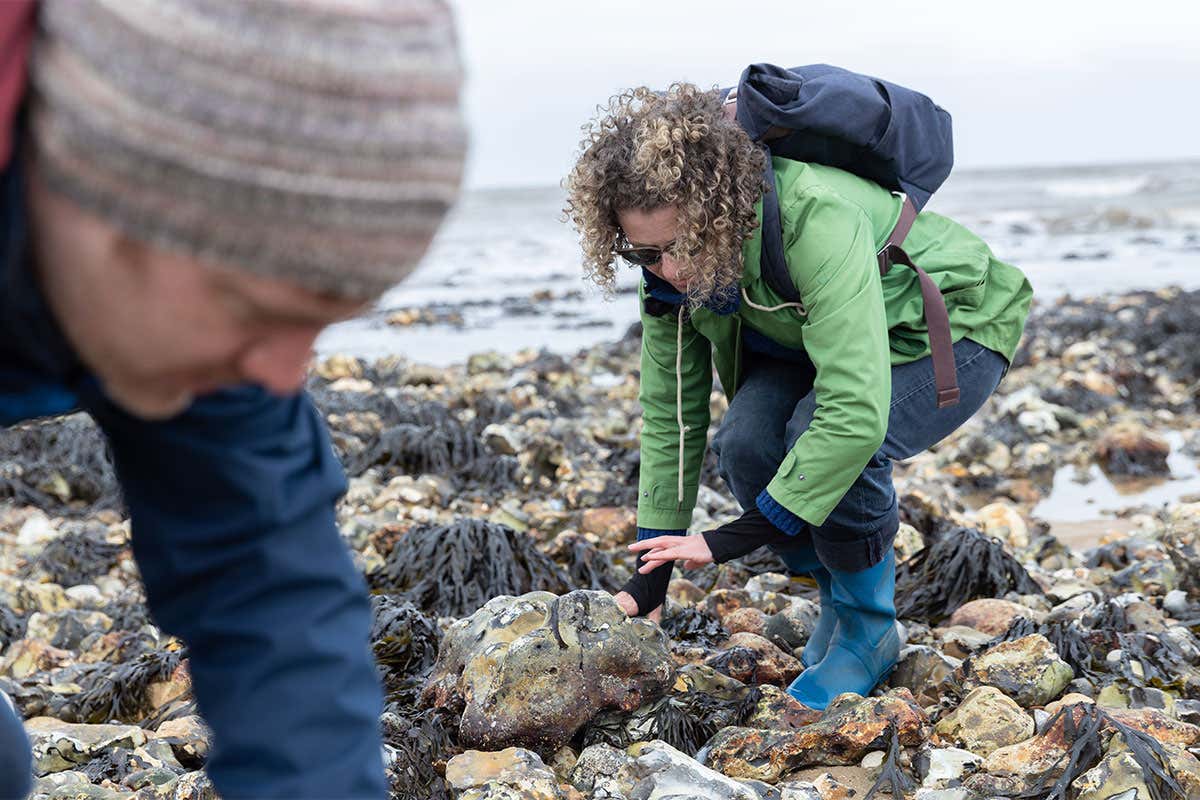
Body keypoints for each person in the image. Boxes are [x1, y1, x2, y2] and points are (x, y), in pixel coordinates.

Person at [0, 1, 465, 797]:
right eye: (259, 314)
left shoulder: (202, 297)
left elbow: (271, 594)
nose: (287, 376)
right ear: (109, 212)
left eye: (318, 322)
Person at [564, 83, 1031, 710]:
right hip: (822, 338)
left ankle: (868, 629)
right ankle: (837, 600)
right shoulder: (667, 277)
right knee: (746, 440)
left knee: (829, 434)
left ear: (719, 212)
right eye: (645, 252)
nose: (670, 270)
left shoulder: (815, 215)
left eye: (684, 246)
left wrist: (732, 537)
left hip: (951, 325)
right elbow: (671, 417)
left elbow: (854, 414)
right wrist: (651, 581)